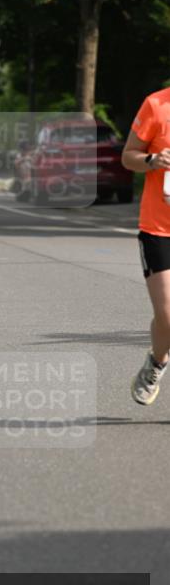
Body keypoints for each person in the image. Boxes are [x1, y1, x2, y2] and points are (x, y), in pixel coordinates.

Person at [122, 87, 170, 404]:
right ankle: (156, 362)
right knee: (168, 315)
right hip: (159, 228)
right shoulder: (156, 105)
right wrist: (152, 160)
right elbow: (128, 156)